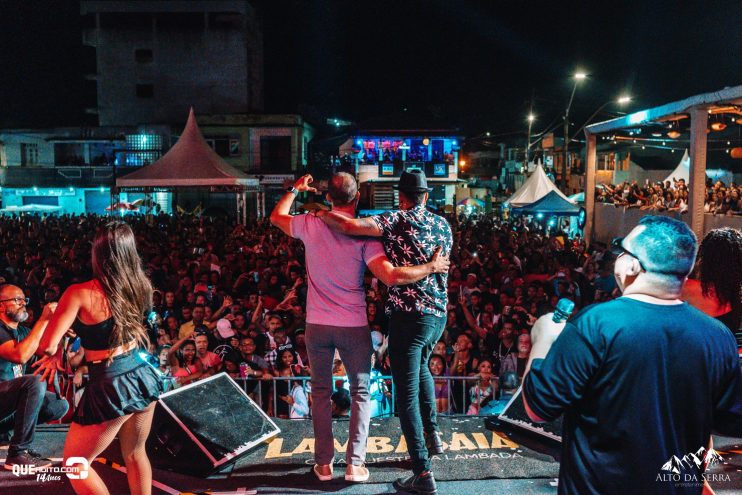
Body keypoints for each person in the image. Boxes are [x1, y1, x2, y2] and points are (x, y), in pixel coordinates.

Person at [522, 216, 740, 494]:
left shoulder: (596, 324)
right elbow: (729, 418)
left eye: (623, 252)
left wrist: (543, 337)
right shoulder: (717, 336)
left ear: (634, 264)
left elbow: (538, 407)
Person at [271, 172, 449, 485]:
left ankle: (323, 465)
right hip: (360, 324)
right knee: (362, 393)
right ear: (356, 199)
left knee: (322, 392)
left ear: (329, 197)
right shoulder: (374, 236)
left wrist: (297, 191)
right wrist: (431, 268)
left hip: (317, 324)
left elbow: (277, 217)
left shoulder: (312, 224)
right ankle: (355, 464)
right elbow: (390, 275)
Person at [33, 222, 164, 495]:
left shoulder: (79, 293)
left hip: (111, 382)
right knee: (135, 454)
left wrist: (49, 318)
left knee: (75, 463)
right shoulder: (141, 286)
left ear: (98, 253)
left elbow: (46, 346)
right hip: (141, 373)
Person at [0, 286, 65, 469]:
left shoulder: (24, 332)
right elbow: (19, 355)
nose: (23, 304)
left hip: (6, 408)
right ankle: (18, 454)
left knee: (58, 405)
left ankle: (3, 433)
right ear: (1, 306)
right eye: (17, 300)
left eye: (24, 300)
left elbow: (47, 348)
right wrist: (43, 319)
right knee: (33, 382)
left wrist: (58, 332)